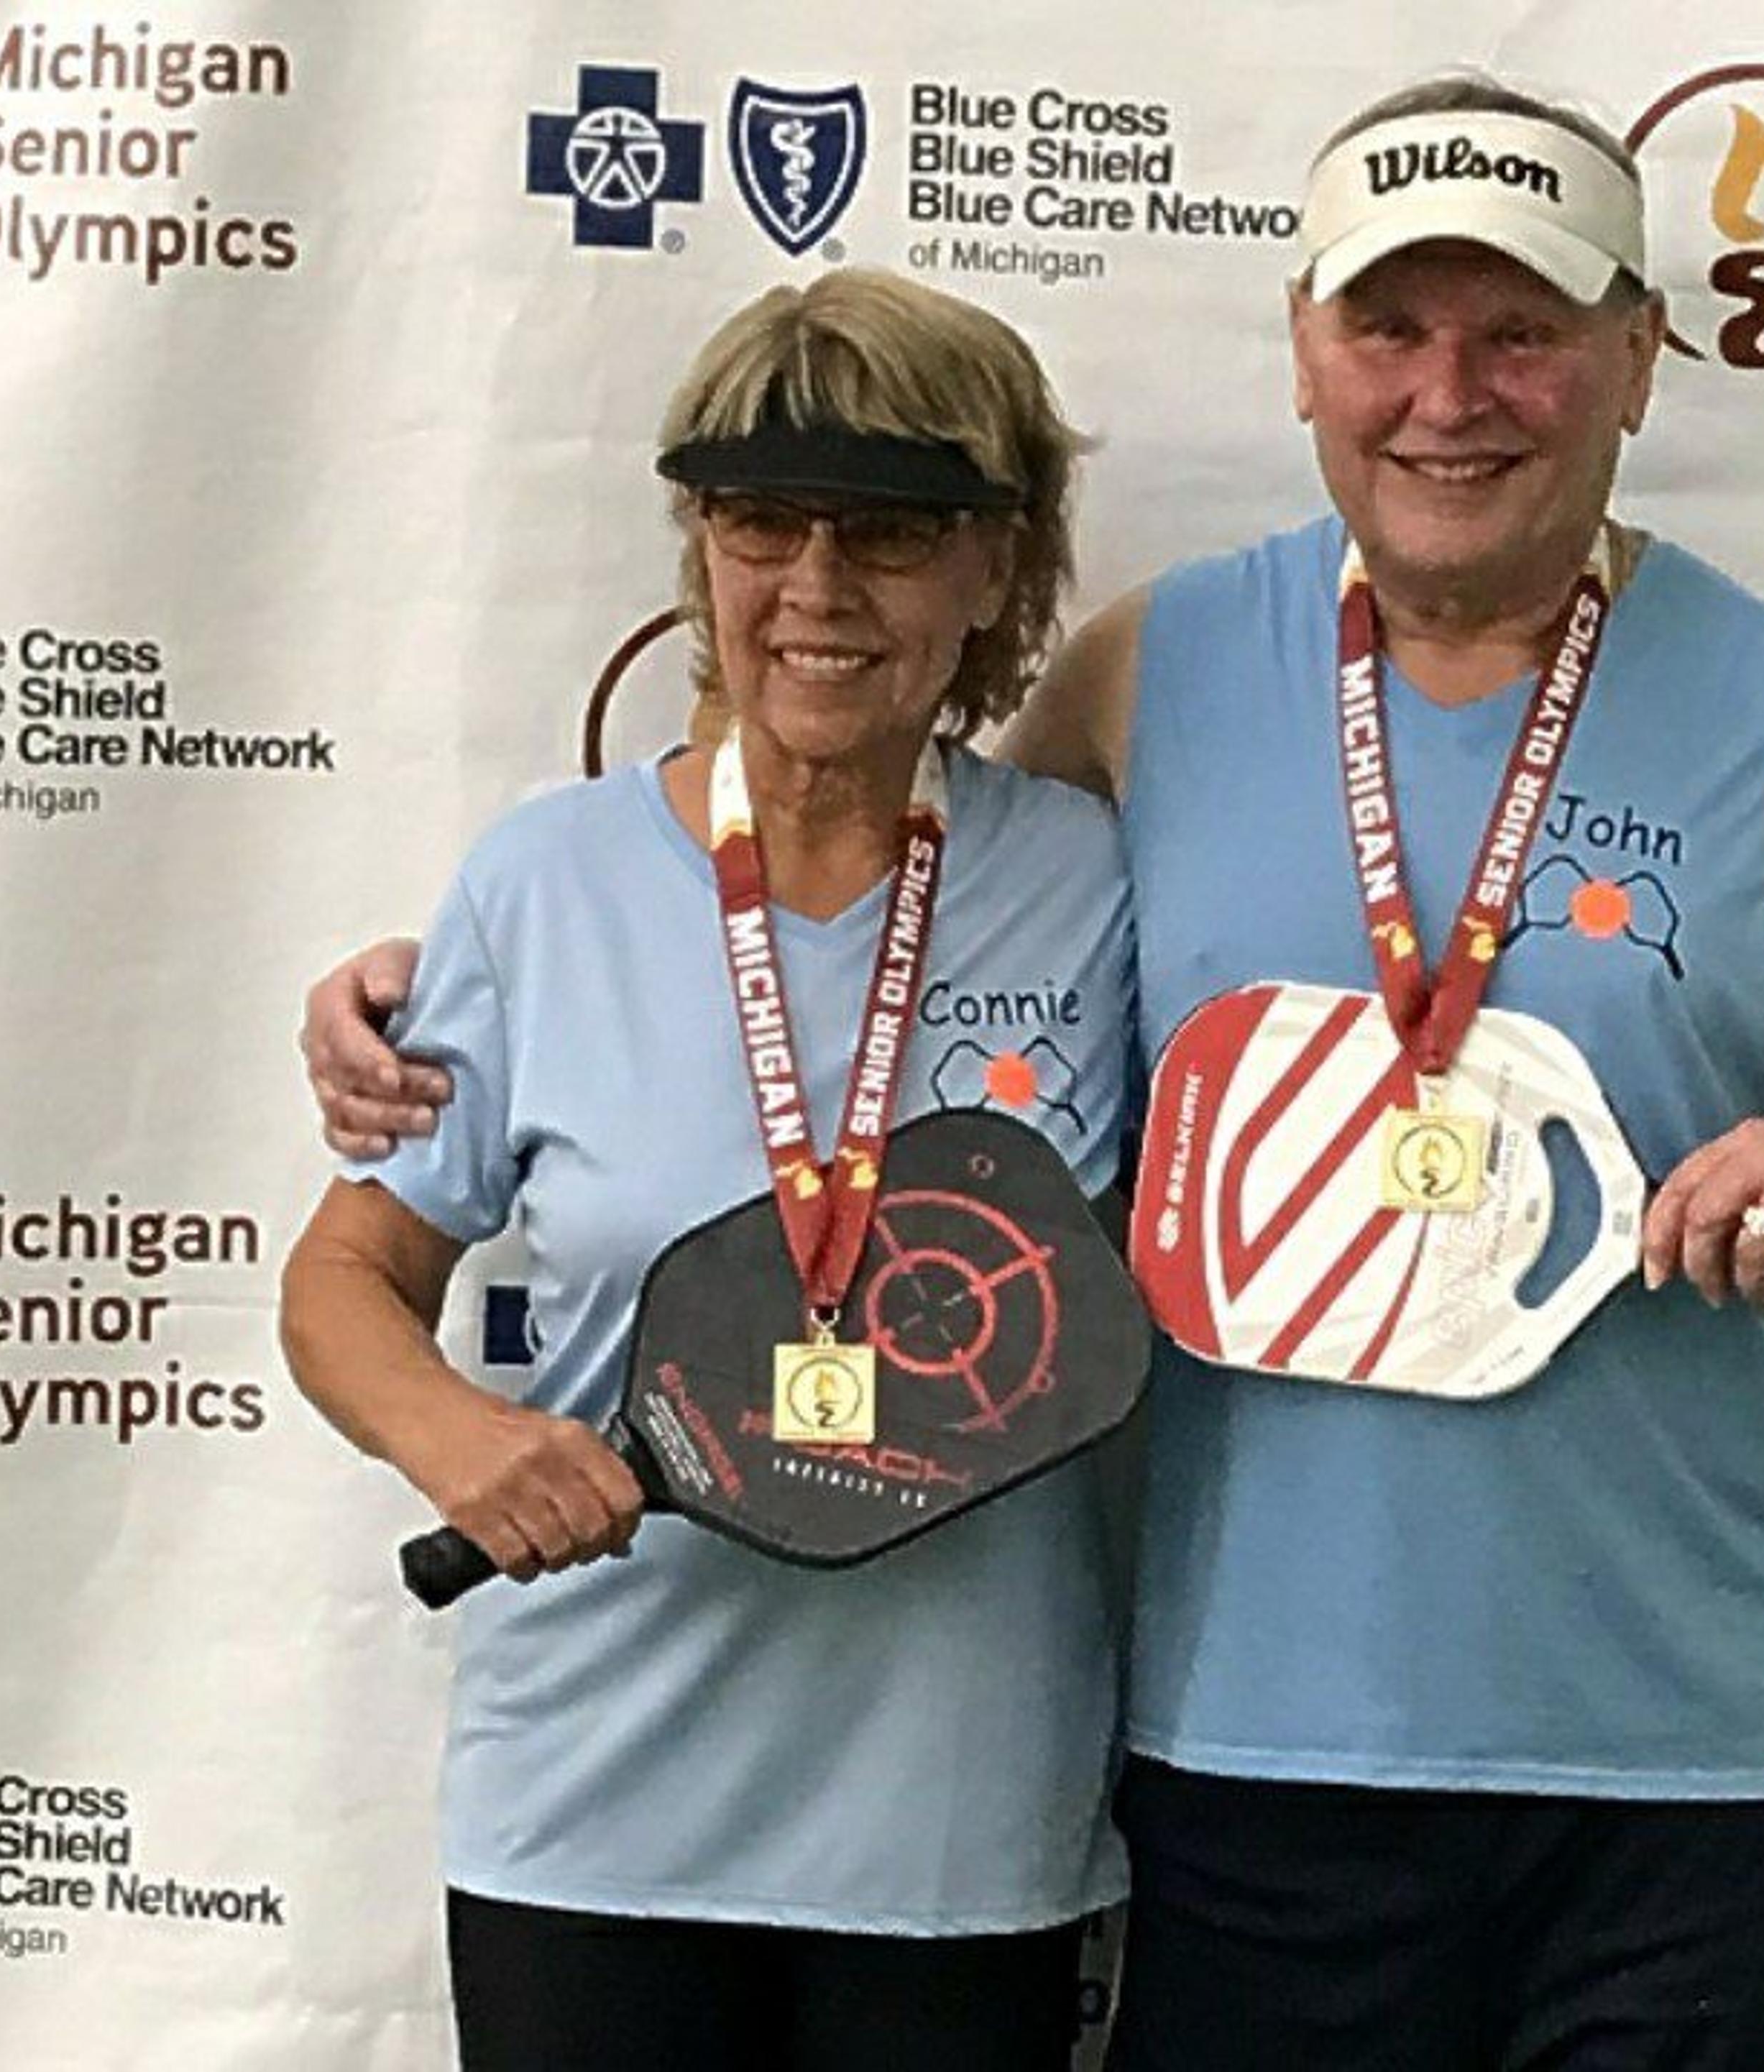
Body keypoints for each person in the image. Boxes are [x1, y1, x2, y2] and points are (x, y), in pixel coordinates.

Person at [306, 75, 1764, 2072]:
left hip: (1682, 1769)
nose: (1449, 394)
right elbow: (848, 940)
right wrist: (419, 1011)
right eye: (1392, 328)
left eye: (1523, 332)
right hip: (1243, 1770)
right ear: (1307, 351)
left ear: (1637, 359)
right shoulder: (1156, 674)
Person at [279, 269, 1131, 2072]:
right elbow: (345, 1278)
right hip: (593, 1805)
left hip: (957, 1824)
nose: (817, 588)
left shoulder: (1102, 882)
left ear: (996, 569)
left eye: (893, 533)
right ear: (702, 551)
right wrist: (469, 1443)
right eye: (762, 522)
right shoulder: (546, 878)